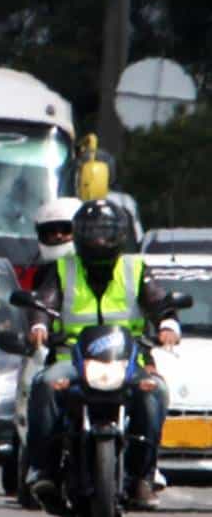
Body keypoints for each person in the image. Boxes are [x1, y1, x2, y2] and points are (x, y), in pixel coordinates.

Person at [24, 199, 180, 511]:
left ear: (120, 235)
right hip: (71, 361)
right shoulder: (62, 268)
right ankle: (44, 469)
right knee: (44, 384)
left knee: (155, 390)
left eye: (105, 232)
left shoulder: (134, 268)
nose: (98, 239)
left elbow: (159, 301)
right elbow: (43, 301)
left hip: (127, 363)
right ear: (79, 235)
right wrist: (39, 326)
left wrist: (168, 324)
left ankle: (142, 477)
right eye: (91, 231)